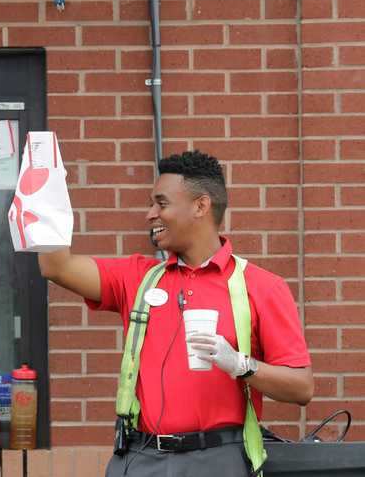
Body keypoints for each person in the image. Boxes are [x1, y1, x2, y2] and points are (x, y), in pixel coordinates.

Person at [38, 151, 313, 477]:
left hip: (220, 461)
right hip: (141, 459)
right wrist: (45, 189)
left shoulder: (263, 287)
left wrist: (242, 365)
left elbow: (301, 388)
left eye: (161, 203)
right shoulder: (137, 277)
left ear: (200, 206)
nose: (150, 214)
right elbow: (56, 266)